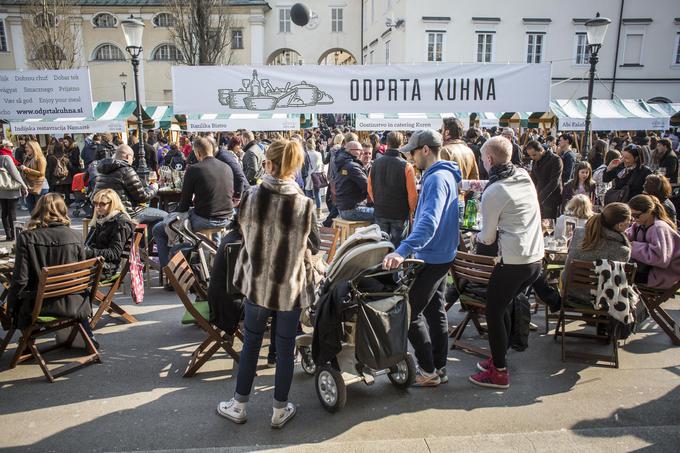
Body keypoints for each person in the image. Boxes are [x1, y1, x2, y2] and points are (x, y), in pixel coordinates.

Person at [218, 139, 319, 429]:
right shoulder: (304, 203)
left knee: (251, 344)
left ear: (269, 164)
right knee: (285, 349)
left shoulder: (251, 196)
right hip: (288, 286)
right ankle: (279, 409)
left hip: (257, 283)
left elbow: (239, 227)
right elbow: (312, 244)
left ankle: (238, 405)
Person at [382, 129, 461, 387]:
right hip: (442, 253)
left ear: (425, 150)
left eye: (413, 153)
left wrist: (402, 250)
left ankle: (428, 370)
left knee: (408, 312)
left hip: (432, 255)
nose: (412, 159)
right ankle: (439, 367)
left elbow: (429, 222)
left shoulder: (436, 179)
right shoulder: (444, 174)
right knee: (435, 311)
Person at [470, 136, 544, 389]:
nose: (482, 162)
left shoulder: (494, 190)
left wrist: (475, 237)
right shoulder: (523, 175)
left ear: (488, 160)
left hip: (514, 260)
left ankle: (499, 372)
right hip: (535, 258)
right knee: (503, 306)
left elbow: (487, 237)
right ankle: (498, 358)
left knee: (493, 310)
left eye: (482, 158)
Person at [7, 193, 98, 345]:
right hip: (74, 302)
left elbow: (20, 279)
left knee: (15, 300)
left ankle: (27, 343)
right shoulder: (75, 236)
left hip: (40, 306)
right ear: (63, 210)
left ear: (38, 210)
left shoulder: (27, 237)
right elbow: (79, 274)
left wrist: (11, 308)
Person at [153, 137, 234, 277]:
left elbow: (183, 205)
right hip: (227, 218)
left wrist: (171, 215)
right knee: (194, 221)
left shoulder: (195, 169)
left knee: (159, 229)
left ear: (197, 153)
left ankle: (170, 273)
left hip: (205, 219)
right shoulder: (227, 167)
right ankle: (211, 265)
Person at [560, 203, 632, 302]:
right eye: (629, 220)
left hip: (570, 293)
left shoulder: (579, 234)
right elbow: (616, 282)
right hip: (600, 299)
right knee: (638, 302)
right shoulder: (622, 251)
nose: (630, 223)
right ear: (620, 225)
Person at [368, 131, 418, 248]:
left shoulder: (375, 163)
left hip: (381, 210)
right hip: (399, 213)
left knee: (380, 247)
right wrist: (411, 210)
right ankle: (396, 267)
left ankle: (382, 266)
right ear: (401, 144)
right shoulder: (406, 165)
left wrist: (378, 202)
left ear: (387, 143)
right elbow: (412, 194)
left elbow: (370, 188)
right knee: (398, 247)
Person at [627, 194, 680, 288]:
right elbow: (626, 237)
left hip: (661, 275)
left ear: (649, 211)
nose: (634, 219)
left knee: (618, 275)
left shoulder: (659, 228)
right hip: (647, 270)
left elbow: (660, 258)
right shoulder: (639, 225)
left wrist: (632, 246)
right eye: (631, 216)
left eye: (636, 215)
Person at [93, 144, 157, 215]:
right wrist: (154, 188)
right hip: (126, 213)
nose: (133, 160)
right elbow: (142, 197)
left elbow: (93, 197)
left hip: (102, 212)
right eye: (133, 158)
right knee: (165, 216)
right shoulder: (126, 170)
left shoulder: (102, 171)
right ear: (127, 156)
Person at [85, 189, 134, 280]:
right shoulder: (100, 218)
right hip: (93, 263)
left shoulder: (120, 222)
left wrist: (89, 252)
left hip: (105, 268)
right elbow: (88, 244)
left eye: (102, 204)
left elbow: (115, 253)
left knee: (65, 275)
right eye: (95, 203)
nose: (97, 207)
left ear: (113, 204)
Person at [333, 140, 373, 221]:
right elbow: (368, 186)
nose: (362, 153)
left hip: (345, 208)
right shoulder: (352, 166)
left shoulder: (344, 162)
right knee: (382, 215)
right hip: (352, 209)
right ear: (350, 151)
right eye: (359, 150)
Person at [526, 140, 563, 219]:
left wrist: (540, 197)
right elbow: (533, 179)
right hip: (539, 197)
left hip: (551, 199)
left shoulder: (555, 159)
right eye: (530, 156)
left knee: (549, 226)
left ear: (541, 150)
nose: (532, 157)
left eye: (534, 155)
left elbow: (554, 181)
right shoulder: (535, 161)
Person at [0, 154, 28, 240]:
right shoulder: (5, 158)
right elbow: (15, 173)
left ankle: (8, 235)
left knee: (4, 212)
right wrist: (24, 186)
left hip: (1, 189)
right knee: (12, 212)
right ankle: (14, 235)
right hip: (11, 189)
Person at [214, 138, 248, 204]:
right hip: (234, 188)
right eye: (238, 145)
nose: (240, 147)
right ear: (233, 145)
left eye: (241, 145)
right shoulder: (229, 154)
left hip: (238, 188)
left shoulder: (236, 154)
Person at [20, 141, 48, 213]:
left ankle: (41, 223)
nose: (25, 149)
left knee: (40, 210)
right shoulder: (27, 158)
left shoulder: (40, 158)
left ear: (33, 148)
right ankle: (34, 223)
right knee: (31, 209)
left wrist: (27, 169)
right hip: (29, 185)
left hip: (40, 186)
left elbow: (41, 173)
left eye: (27, 147)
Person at [46, 140, 73, 204]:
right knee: (67, 191)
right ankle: (67, 202)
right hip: (66, 177)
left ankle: (59, 203)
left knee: (58, 192)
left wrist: (49, 178)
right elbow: (70, 167)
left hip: (55, 178)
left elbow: (49, 169)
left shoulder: (51, 157)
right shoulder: (65, 156)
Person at [303, 138, 324, 217]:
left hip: (309, 177)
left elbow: (304, 167)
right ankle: (319, 212)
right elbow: (321, 165)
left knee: (308, 195)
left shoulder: (305, 154)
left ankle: (310, 213)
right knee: (317, 194)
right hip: (317, 176)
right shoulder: (318, 154)